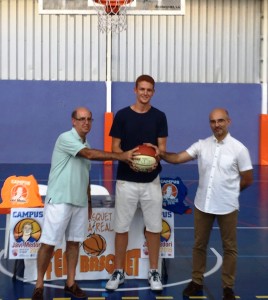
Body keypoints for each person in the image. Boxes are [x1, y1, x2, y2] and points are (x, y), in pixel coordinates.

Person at [32, 107, 136, 300]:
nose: (85, 122)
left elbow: (85, 176)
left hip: (79, 202)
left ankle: (70, 282)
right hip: (60, 199)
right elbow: (89, 155)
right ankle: (39, 285)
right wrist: (120, 156)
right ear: (73, 121)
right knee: (48, 244)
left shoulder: (85, 142)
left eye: (89, 119)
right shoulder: (65, 139)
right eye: (81, 119)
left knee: (73, 243)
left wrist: (88, 201)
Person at [158, 108, 253, 300]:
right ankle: (196, 281)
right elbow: (177, 158)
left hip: (228, 207)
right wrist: (159, 153)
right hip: (203, 205)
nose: (216, 125)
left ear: (228, 121)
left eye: (220, 121)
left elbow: (248, 178)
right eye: (213, 121)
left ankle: (228, 287)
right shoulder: (202, 145)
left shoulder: (239, 149)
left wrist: (231, 193)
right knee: (199, 245)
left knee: (230, 248)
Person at [105, 75, 168, 291]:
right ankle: (119, 270)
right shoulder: (122, 115)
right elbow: (115, 148)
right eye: (142, 89)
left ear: (153, 92)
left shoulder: (159, 116)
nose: (145, 93)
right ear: (135, 90)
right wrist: (127, 156)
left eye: (149, 90)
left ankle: (153, 271)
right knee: (121, 227)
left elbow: (162, 148)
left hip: (151, 181)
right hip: (126, 181)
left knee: (154, 228)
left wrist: (156, 155)